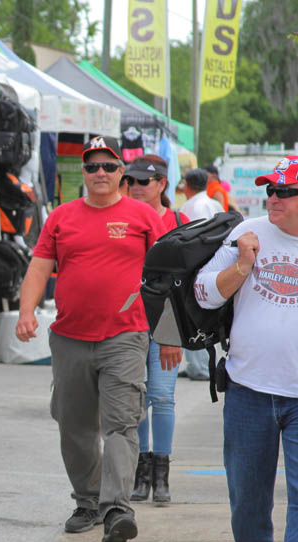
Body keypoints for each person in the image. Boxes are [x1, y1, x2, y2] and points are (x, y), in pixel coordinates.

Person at [15, 136, 165, 542]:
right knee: (75, 427)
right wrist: (26, 312)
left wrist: (169, 336)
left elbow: (167, 280)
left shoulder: (143, 217)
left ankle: (117, 508)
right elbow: (39, 267)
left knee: (120, 424)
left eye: (109, 167)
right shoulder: (61, 217)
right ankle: (88, 500)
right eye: (93, 167)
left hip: (125, 336)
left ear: (122, 172)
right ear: (83, 173)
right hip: (69, 338)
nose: (101, 173)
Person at [195, 156, 298, 542]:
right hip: (249, 385)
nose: (272, 198)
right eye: (269, 190)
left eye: (283, 192)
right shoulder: (246, 233)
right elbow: (203, 292)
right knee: (247, 492)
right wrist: (242, 263)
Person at [124, 155, 186, 504]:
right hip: (128, 324)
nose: (135, 188)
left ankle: (161, 474)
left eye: (142, 182)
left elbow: (185, 284)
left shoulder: (178, 221)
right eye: (130, 181)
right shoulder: (122, 217)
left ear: (162, 184)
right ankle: (140, 472)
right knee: (137, 400)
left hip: (165, 324)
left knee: (162, 397)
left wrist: (173, 332)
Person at [180, 168, 225, 381]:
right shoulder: (213, 204)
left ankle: (198, 367)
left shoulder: (190, 207)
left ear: (187, 186)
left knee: (190, 318)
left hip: (195, 268)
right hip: (213, 267)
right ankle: (200, 365)